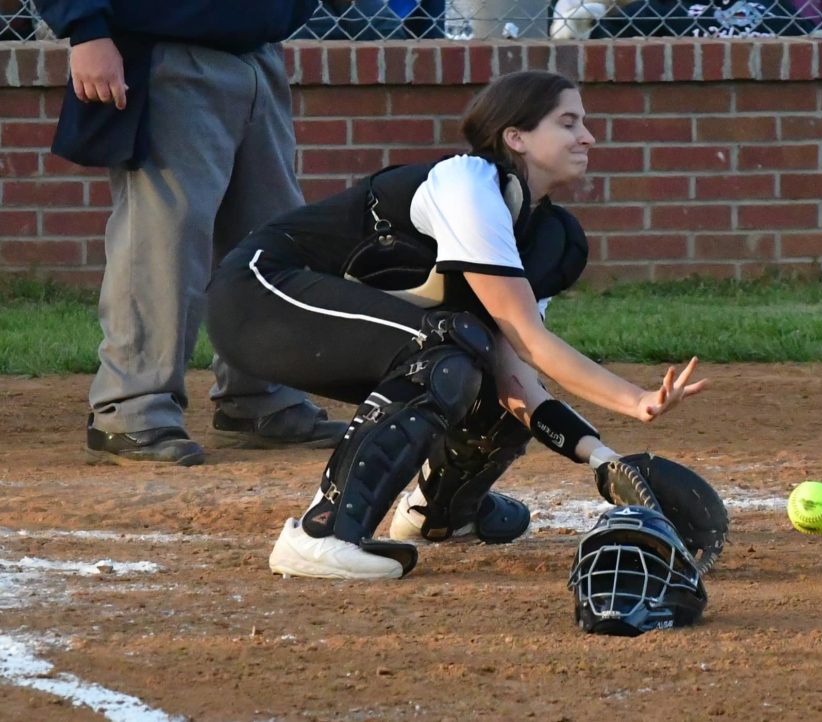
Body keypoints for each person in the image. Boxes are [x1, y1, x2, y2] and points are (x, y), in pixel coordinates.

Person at [206, 70, 710, 580]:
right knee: (443, 352)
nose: (587, 137)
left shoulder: (546, 236)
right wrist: (633, 399)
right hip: (259, 297)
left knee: (475, 364)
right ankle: (321, 534)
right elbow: (530, 339)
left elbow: (515, 380)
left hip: (329, 320)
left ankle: (439, 514)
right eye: (568, 122)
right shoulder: (468, 183)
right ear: (516, 137)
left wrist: (600, 457)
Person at [32, 0, 347, 466]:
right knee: (164, 240)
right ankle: (132, 407)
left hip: (258, 53)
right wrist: (87, 30)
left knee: (270, 236)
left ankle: (261, 398)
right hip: (166, 51)